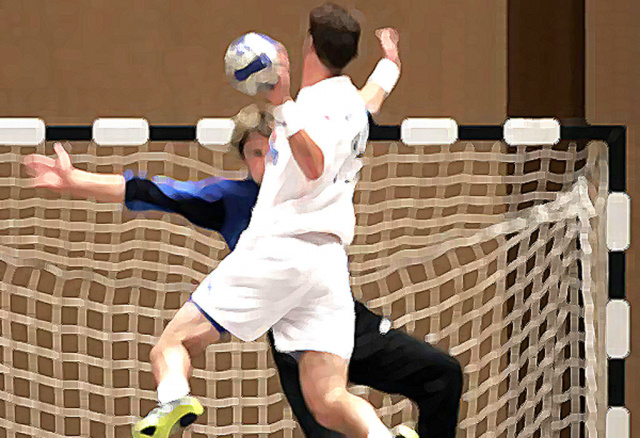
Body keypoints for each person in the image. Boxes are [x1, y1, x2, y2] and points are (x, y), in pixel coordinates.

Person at [24, 12, 461, 438]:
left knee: (170, 346)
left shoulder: (306, 108)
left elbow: (313, 163)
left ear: (308, 44)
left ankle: (174, 398)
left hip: (279, 251)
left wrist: (283, 102)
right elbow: (375, 92)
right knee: (328, 401)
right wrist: (390, 61)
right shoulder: (352, 107)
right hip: (326, 265)